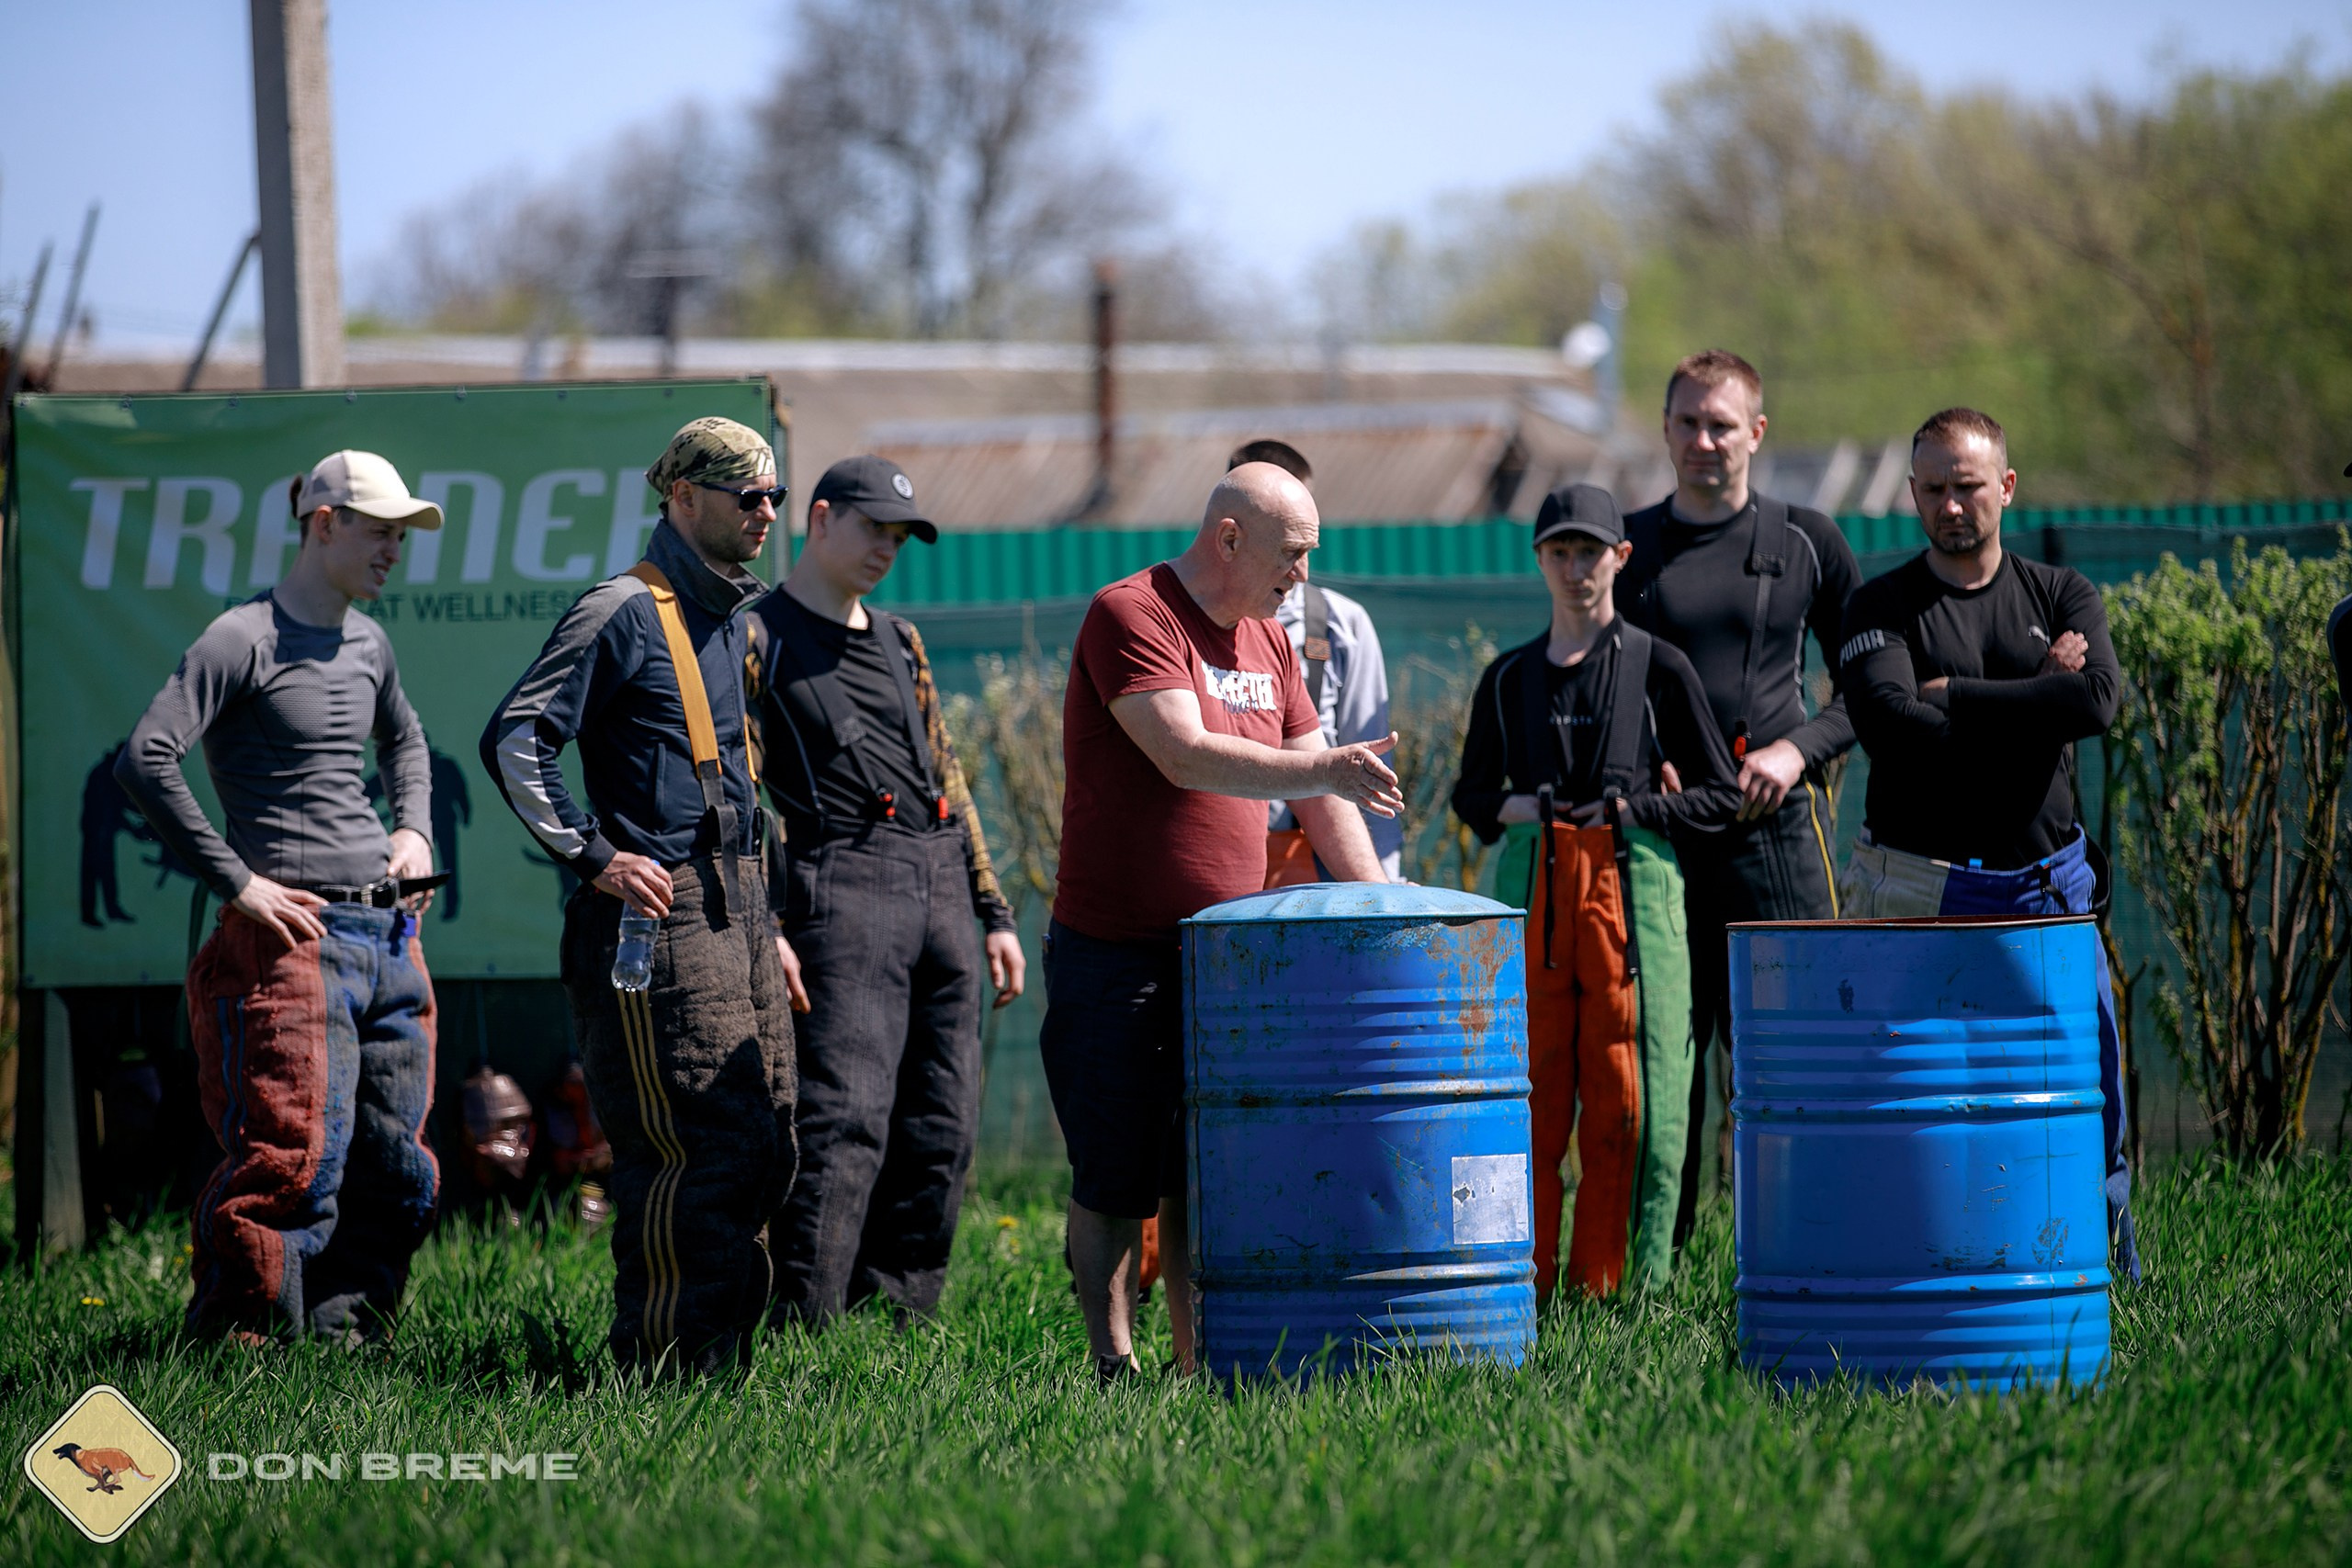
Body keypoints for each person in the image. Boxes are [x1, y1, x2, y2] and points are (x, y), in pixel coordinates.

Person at [1046, 462, 1401, 1383]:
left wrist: (1385, 914)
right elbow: (1180, 754)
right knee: (1116, 1175)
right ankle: (1110, 1364)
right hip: (1114, 952)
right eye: (1293, 554)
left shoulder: (1272, 644)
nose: (1301, 575)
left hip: (1229, 963)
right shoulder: (1134, 613)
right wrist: (1323, 772)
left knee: (1206, 1172)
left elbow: (1326, 799)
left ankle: (1200, 1359)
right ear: (1230, 537)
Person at [481, 416, 797, 1374]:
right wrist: (593, 854)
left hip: (739, 911)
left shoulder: (731, 616)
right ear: (685, 498)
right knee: (691, 1147)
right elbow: (515, 738)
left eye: (775, 496)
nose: (768, 514)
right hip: (657, 926)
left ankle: (725, 1370)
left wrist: (766, 919)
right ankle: (664, 1372)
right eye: (750, 496)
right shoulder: (620, 609)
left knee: (765, 1139)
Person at [116, 450, 446, 1344]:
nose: (393, 551)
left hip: (387, 936)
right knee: (291, 1163)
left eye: (402, 536)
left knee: (394, 1166)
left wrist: (412, 832)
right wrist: (238, 882)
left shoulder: (369, 642)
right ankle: (235, 1354)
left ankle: (343, 1343)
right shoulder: (241, 639)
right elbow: (145, 758)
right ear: (324, 519)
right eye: (380, 531)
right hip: (291, 942)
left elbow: (407, 746)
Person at [1838, 406, 2143, 1284]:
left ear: (2005, 486)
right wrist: (2034, 694)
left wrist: (1959, 698)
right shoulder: (1879, 604)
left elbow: (2095, 705)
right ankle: (1909, 1274)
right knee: (1911, 1103)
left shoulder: (2061, 592)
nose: (1951, 505)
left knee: (2088, 1090)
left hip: (2046, 889)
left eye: (1967, 485)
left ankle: (2099, 1267)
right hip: (1917, 890)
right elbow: (1892, 727)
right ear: (1912, 496)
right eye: (1932, 489)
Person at [752, 455, 1026, 1328]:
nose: (888, 548)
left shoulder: (901, 640)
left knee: (942, 1125)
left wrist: (993, 910)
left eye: (901, 536)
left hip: (941, 883)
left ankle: (900, 1322)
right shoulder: (755, 637)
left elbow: (948, 771)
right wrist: (767, 925)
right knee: (843, 1121)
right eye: (874, 528)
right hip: (841, 888)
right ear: (820, 518)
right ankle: (806, 1325)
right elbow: (739, 795)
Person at [1452, 483, 1741, 1304]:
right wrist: (1529, 809)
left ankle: (1624, 1292)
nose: (1575, 568)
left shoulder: (1659, 667)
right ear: (1540, 559)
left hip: (1632, 887)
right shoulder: (1508, 678)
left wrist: (1641, 806)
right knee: (1521, 1093)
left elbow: (1719, 793)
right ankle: (1514, 1285)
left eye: (1591, 552)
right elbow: (1472, 798)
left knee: (1635, 1099)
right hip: (1533, 892)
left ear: (1621, 557)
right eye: (1560, 552)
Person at [1612, 349, 1861, 1248]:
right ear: (1665, 429)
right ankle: (1655, 1278)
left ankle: (1809, 1250)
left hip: (1774, 835)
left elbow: (1867, 691)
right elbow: (1603, 685)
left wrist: (1798, 752)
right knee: (1666, 1063)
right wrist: (1640, 768)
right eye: (1687, 422)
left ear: (1756, 433)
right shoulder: (1628, 550)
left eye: (1722, 424)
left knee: (1793, 1060)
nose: (1703, 440)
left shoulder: (1807, 542)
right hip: (1663, 846)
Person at [1228, 439, 1404, 886]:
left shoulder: (1338, 624)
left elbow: (1372, 760)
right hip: (1226, 859)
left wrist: (1383, 885)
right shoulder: (1184, 623)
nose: (1301, 569)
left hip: (1315, 863)